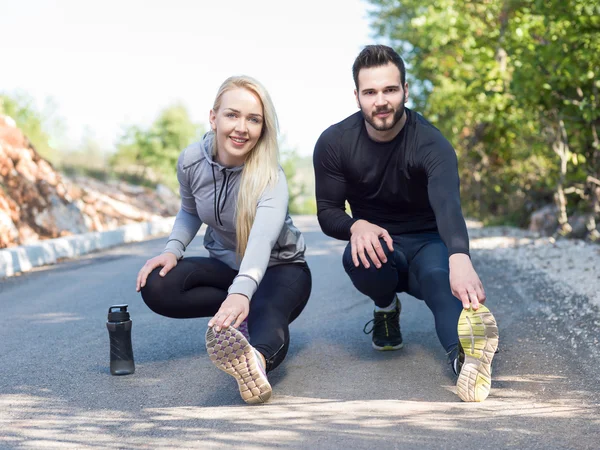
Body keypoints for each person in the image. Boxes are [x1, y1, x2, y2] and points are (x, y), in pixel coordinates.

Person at [313, 45, 499, 402]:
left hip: (429, 243)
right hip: (379, 244)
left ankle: (466, 361)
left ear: (405, 91)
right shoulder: (335, 143)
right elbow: (327, 211)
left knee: (439, 280)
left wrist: (459, 258)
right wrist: (356, 226)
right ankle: (386, 308)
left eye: (389, 90)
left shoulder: (430, 142)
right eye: (370, 92)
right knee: (360, 257)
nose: (380, 101)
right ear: (357, 96)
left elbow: (448, 205)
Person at [136, 75, 312, 404]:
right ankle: (241, 317)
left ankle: (255, 362)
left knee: (266, 309)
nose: (241, 127)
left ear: (263, 128)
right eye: (232, 115)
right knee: (157, 285)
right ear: (213, 117)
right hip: (227, 265)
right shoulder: (191, 161)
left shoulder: (270, 176)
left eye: (253, 119)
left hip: (281, 269)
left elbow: (261, 242)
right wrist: (172, 251)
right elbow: (190, 210)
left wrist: (241, 294)